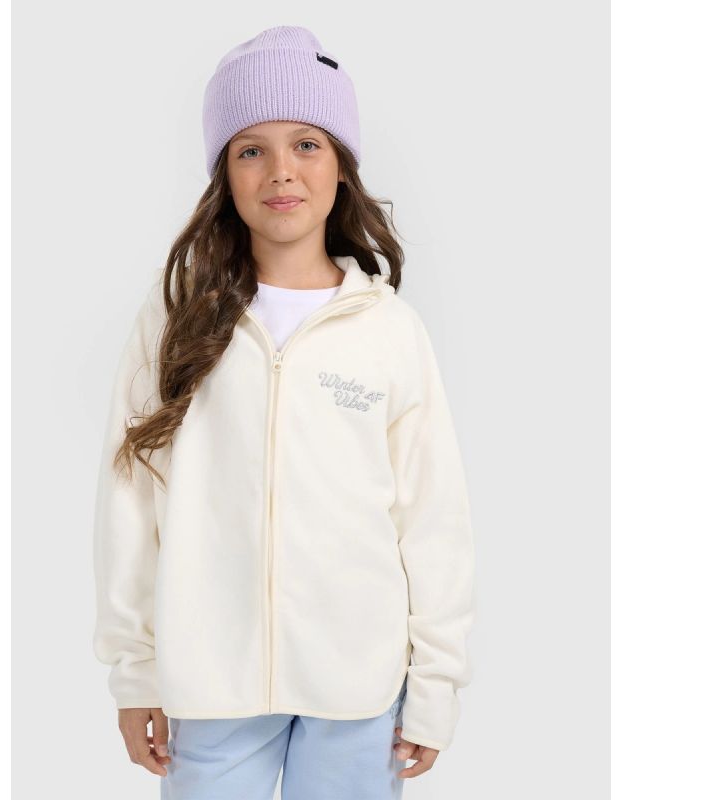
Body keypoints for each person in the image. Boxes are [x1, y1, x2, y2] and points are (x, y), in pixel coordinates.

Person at [92, 24, 476, 800]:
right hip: (211, 686)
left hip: (359, 690)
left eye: (307, 144)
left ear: (341, 166)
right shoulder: (175, 318)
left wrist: (435, 686)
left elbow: (434, 518)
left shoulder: (388, 329)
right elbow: (129, 499)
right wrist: (135, 671)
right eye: (250, 150)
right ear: (224, 174)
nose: (281, 171)